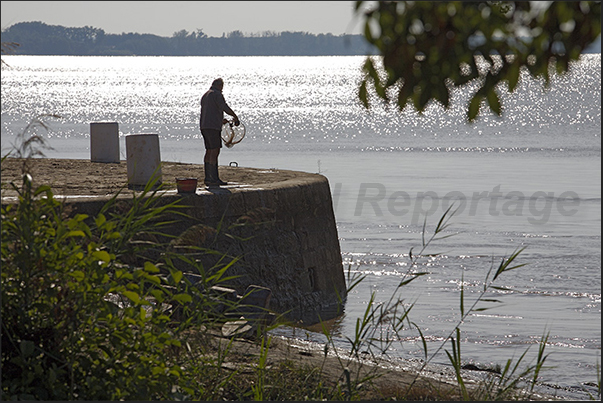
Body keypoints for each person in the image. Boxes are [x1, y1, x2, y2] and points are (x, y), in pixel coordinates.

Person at [199, 77, 240, 186]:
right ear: (219, 86)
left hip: (204, 126)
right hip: (213, 128)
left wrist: (221, 120)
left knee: (208, 150)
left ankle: (208, 177)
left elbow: (209, 111)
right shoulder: (217, 94)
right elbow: (224, 107)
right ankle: (214, 178)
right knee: (215, 150)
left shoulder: (206, 95)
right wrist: (235, 116)